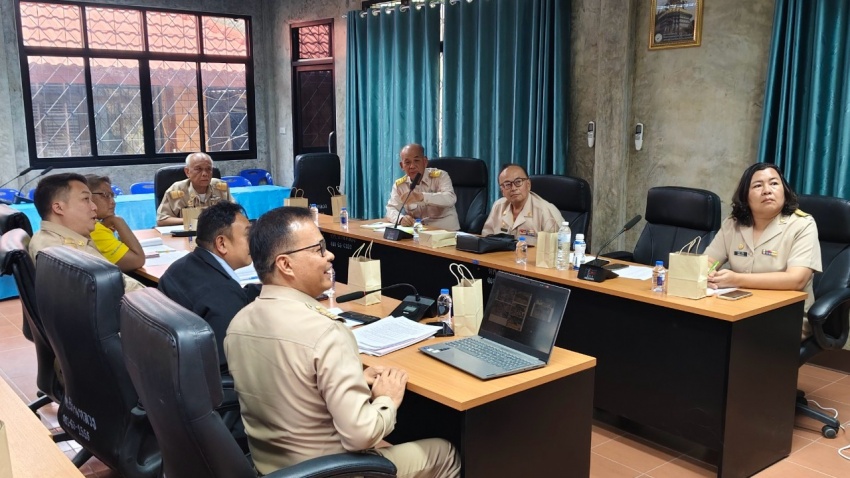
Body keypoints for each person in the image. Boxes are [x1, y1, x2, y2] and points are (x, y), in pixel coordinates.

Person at [224, 207, 460, 477]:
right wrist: (386, 399)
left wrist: (351, 377)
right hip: (332, 471)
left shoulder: (238, 324)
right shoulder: (325, 331)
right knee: (445, 452)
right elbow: (361, 436)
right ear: (285, 265)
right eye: (318, 250)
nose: (330, 256)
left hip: (272, 470)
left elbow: (288, 389)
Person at [705, 163, 821, 339]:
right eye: (758, 186)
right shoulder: (733, 224)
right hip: (738, 310)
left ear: (784, 190)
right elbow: (707, 261)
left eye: (774, 183)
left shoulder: (802, 225)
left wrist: (736, 279)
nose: (767, 191)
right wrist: (708, 275)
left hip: (786, 317)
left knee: (723, 339)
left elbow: (796, 280)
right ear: (745, 195)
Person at [158, 201, 259, 373]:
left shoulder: (181, 266)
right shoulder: (224, 296)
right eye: (248, 234)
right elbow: (227, 368)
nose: (253, 240)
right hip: (208, 382)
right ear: (222, 244)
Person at [29, 173, 144, 292]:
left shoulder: (53, 239)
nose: (94, 207)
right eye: (86, 199)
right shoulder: (63, 253)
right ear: (58, 208)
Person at [481, 164, 565, 245]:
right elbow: (486, 238)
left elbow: (558, 248)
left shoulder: (546, 211)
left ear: (528, 185)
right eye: (507, 184)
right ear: (502, 191)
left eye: (518, 182)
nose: (513, 188)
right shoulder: (498, 206)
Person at [385, 143, 460, 231]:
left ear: (425, 162)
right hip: (420, 232)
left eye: (416, 161)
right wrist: (401, 219)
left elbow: (450, 198)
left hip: (446, 232)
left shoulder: (440, 176)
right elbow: (391, 209)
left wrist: (422, 197)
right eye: (407, 162)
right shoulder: (400, 185)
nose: (412, 166)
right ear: (402, 166)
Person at [85, 174, 145, 272]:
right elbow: (137, 260)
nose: (113, 202)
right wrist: (118, 220)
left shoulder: (93, 225)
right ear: (87, 197)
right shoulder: (95, 229)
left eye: (112, 196)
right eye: (106, 195)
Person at [156, 152, 233, 226]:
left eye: (209, 169)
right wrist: (195, 221)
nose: (205, 174)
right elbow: (162, 220)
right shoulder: (176, 190)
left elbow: (235, 213)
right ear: (187, 172)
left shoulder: (221, 187)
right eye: (198, 169)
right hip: (187, 232)